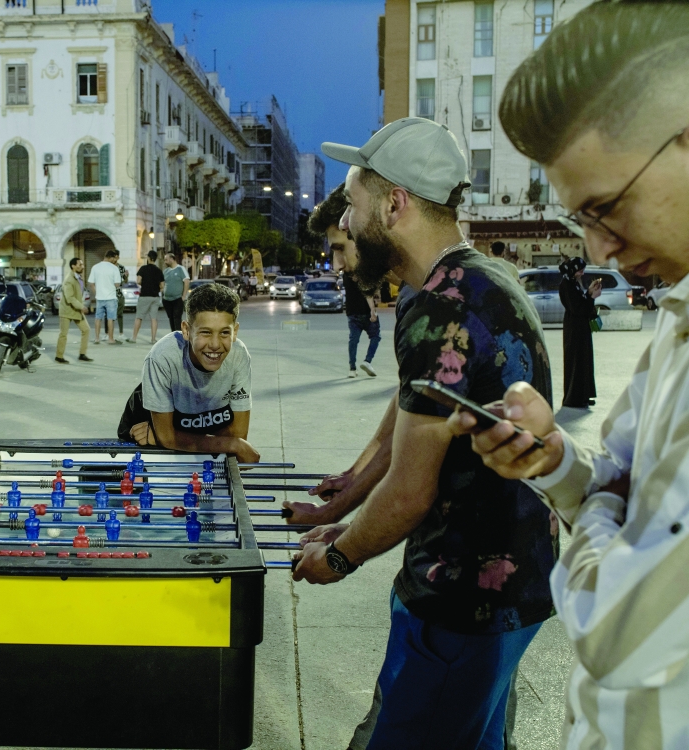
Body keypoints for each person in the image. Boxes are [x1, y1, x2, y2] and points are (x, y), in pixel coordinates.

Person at [448, 5, 689, 747]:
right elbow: (619, 470)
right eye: (581, 220)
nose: (600, 249)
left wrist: (597, 520)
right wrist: (554, 462)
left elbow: (610, 628)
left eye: (607, 208)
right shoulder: (678, 316)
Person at [291, 118, 557, 750]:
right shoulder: (467, 281)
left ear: (395, 203)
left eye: (354, 206)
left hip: (463, 600)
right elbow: (415, 405)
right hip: (514, 585)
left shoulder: (442, 308)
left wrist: (339, 555)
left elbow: (411, 492)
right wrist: (347, 499)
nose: (348, 224)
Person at [118, 283, 259, 463]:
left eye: (224, 333)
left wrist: (171, 437)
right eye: (205, 332)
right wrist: (232, 445)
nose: (215, 344)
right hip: (142, 425)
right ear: (186, 330)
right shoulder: (162, 357)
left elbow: (238, 433)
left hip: (184, 425)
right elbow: (233, 442)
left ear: (235, 332)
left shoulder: (238, 355)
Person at [309, 184, 381, 378]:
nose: (336, 266)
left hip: (355, 314)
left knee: (355, 340)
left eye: (340, 248)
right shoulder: (414, 296)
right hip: (359, 314)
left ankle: (353, 367)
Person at [558, 256, 601, 409]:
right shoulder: (567, 284)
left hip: (579, 328)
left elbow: (579, 303)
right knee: (576, 362)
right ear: (574, 270)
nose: (582, 273)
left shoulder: (572, 282)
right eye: (580, 271)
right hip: (574, 329)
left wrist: (589, 293)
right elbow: (577, 308)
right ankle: (574, 398)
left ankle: (582, 395)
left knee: (583, 361)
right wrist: (591, 298)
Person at [55, 257, 93, 364]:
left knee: (86, 330)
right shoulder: (69, 280)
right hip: (67, 310)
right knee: (63, 334)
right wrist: (82, 307)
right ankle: (59, 356)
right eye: (80, 265)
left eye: (82, 264)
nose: (83, 266)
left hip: (76, 310)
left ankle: (82, 354)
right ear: (73, 266)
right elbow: (69, 298)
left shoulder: (78, 277)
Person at [128, 250, 165, 344]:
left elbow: (138, 281)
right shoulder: (159, 270)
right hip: (155, 297)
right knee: (153, 318)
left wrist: (144, 283)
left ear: (148, 258)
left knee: (139, 317)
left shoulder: (143, 268)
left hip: (144, 295)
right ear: (155, 259)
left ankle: (134, 338)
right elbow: (162, 285)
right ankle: (153, 339)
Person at [87, 249, 123, 345]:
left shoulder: (95, 267)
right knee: (110, 318)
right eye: (114, 258)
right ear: (111, 257)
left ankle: (97, 338)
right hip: (111, 297)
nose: (114, 260)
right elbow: (117, 284)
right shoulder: (114, 268)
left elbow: (91, 283)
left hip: (100, 298)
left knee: (98, 318)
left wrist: (96, 293)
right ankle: (110, 339)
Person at [161, 252, 190, 331]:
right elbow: (162, 283)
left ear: (172, 259)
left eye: (166, 259)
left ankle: (179, 335)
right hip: (167, 299)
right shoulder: (166, 271)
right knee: (171, 317)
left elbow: (186, 281)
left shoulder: (180, 269)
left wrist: (183, 296)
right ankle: (173, 333)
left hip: (177, 298)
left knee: (177, 317)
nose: (165, 261)